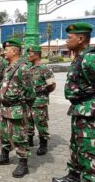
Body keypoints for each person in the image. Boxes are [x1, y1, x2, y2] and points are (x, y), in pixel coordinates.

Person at [53, 22, 95, 182]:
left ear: (80, 38)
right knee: (77, 147)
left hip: (90, 115)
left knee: (89, 154)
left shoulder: (90, 58)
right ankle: (73, 177)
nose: (65, 41)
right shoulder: (80, 57)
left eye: (69, 38)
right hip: (80, 111)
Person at [0, 38, 35, 178]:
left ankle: (23, 163)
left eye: (6, 50)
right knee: (3, 133)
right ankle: (4, 156)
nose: (4, 53)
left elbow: (30, 92)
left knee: (19, 136)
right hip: (5, 108)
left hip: (17, 109)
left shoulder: (23, 67)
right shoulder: (10, 66)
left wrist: (21, 104)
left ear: (15, 51)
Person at [26, 45, 56, 156]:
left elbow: (52, 85)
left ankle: (43, 144)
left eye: (30, 53)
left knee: (41, 122)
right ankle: (29, 140)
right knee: (28, 121)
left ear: (37, 54)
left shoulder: (44, 68)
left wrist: (42, 93)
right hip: (28, 100)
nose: (28, 55)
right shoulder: (28, 67)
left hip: (39, 100)